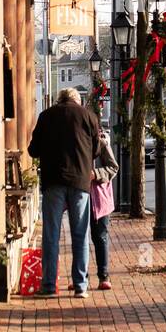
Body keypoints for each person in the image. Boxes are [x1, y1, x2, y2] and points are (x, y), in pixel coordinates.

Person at [28, 87, 99, 299]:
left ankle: (49, 285)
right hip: (80, 182)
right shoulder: (89, 116)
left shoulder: (46, 116)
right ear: (77, 101)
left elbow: (33, 150)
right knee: (80, 234)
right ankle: (80, 285)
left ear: (59, 99)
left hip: (53, 181)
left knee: (51, 234)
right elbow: (96, 150)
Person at [90, 128, 119, 291]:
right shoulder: (74, 140)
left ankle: (104, 276)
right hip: (79, 196)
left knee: (100, 236)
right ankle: (79, 278)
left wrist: (95, 174)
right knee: (79, 237)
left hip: (100, 198)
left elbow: (113, 167)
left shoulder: (101, 143)